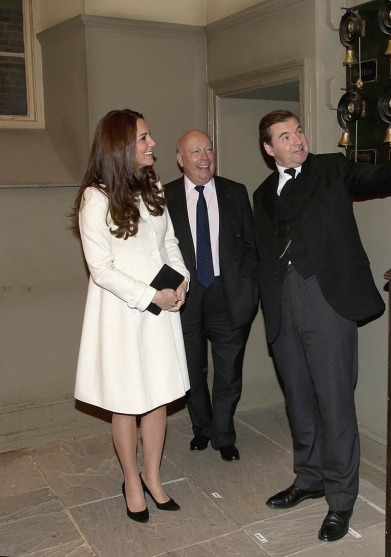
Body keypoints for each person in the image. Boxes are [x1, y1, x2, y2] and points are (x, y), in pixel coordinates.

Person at [254, 110, 391, 541]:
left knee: (334, 401)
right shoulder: (262, 193)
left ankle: (341, 500)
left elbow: (380, 179)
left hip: (326, 302)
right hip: (281, 307)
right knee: (299, 398)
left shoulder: (331, 168)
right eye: (285, 136)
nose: (297, 140)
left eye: (299, 132)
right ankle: (308, 478)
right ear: (269, 148)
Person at [71, 109, 190, 523]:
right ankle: (132, 481)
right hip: (122, 312)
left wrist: (181, 282)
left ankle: (153, 476)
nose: (152, 143)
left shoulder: (152, 184)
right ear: (121, 146)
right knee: (127, 400)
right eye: (144, 138)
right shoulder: (95, 197)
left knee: (157, 396)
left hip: (161, 305)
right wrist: (148, 296)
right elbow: (101, 268)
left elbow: (169, 241)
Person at [164, 130, 258, 462]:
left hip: (228, 294)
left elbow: (251, 246)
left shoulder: (235, 192)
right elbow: (157, 251)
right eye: (195, 152)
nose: (204, 157)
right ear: (180, 159)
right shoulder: (164, 197)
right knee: (192, 371)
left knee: (229, 371)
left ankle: (223, 434)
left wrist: (251, 291)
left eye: (208, 149)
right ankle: (202, 429)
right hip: (186, 296)